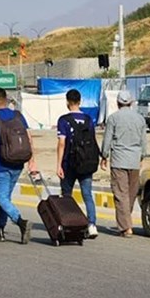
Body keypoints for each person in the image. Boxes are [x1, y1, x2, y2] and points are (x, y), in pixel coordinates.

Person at [0, 88, 37, 244]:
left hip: (1, 165)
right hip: (18, 163)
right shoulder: (18, 116)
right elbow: (28, 137)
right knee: (6, 198)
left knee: (1, 199)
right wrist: (31, 159)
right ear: (5, 99)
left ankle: (21, 222)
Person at [100, 90, 148, 238]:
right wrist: (142, 156)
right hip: (134, 160)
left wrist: (104, 155)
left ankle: (126, 227)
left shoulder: (113, 118)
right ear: (131, 102)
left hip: (119, 159)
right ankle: (126, 222)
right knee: (131, 193)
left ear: (118, 103)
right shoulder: (140, 119)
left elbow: (107, 139)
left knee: (121, 194)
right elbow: (143, 141)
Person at [56, 90, 99, 239]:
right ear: (80, 101)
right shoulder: (88, 119)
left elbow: (62, 143)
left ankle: (69, 223)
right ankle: (92, 224)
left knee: (67, 195)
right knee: (87, 194)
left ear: (67, 102)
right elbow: (93, 141)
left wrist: (59, 164)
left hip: (69, 163)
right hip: (86, 162)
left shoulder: (63, 120)